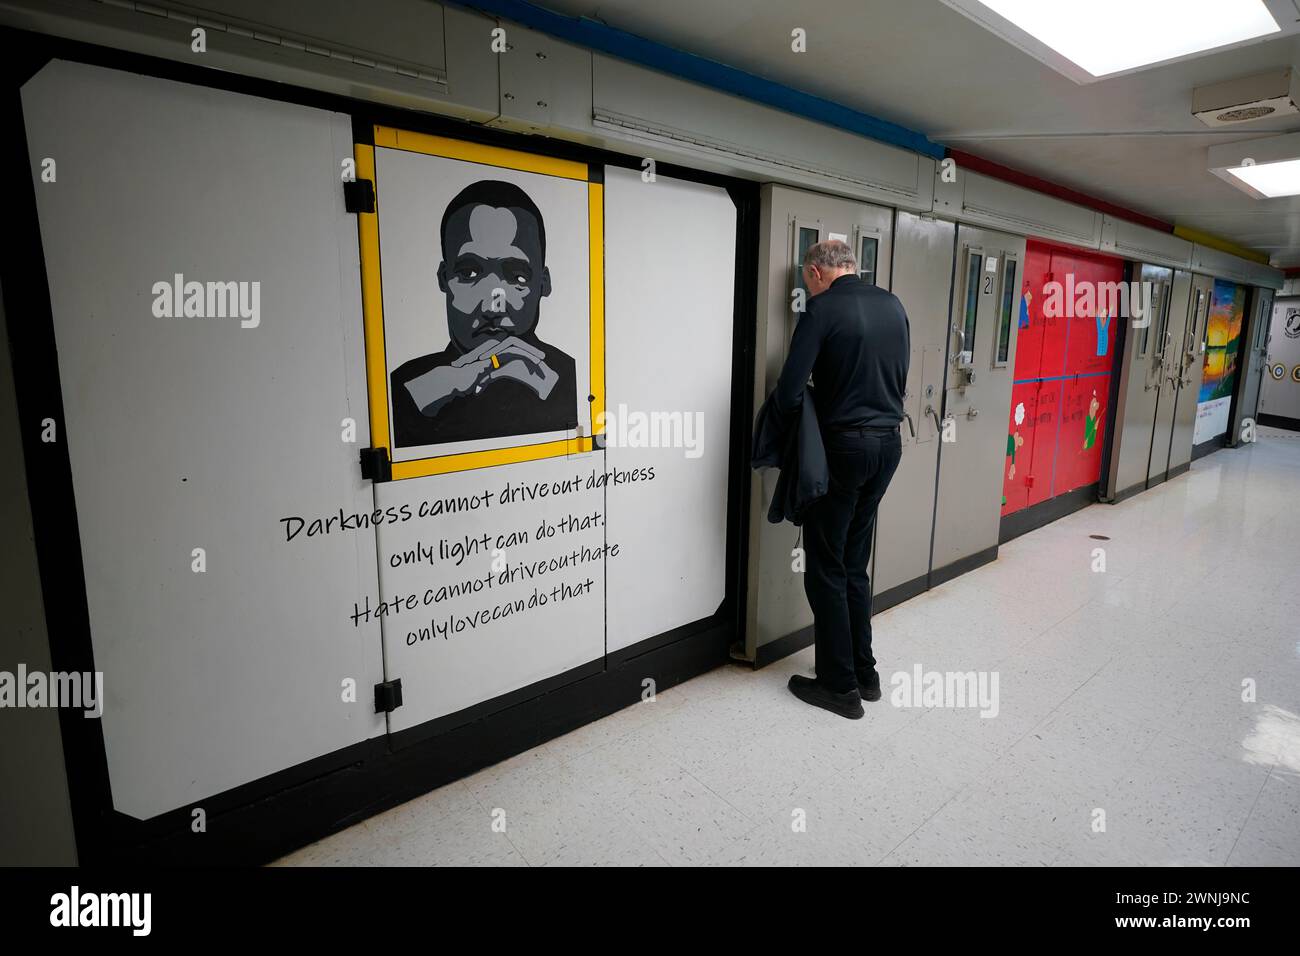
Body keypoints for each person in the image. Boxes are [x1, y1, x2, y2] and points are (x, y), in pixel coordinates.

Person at [778, 239, 909, 719]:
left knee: (826, 567)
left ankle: (837, 687)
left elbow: (790, 390)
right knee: (854, 562)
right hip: (887, 446)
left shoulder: (822, 309)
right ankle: (864, 674)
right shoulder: (892, 305)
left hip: (842, 450)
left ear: (815, 272)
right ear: (854, 267)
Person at [391, 180, 577, 447]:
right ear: (444, 279)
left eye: (518, 278)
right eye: (469, 274)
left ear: (543, 284)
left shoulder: (571, 380)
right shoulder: (406, 389)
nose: (492, 306)